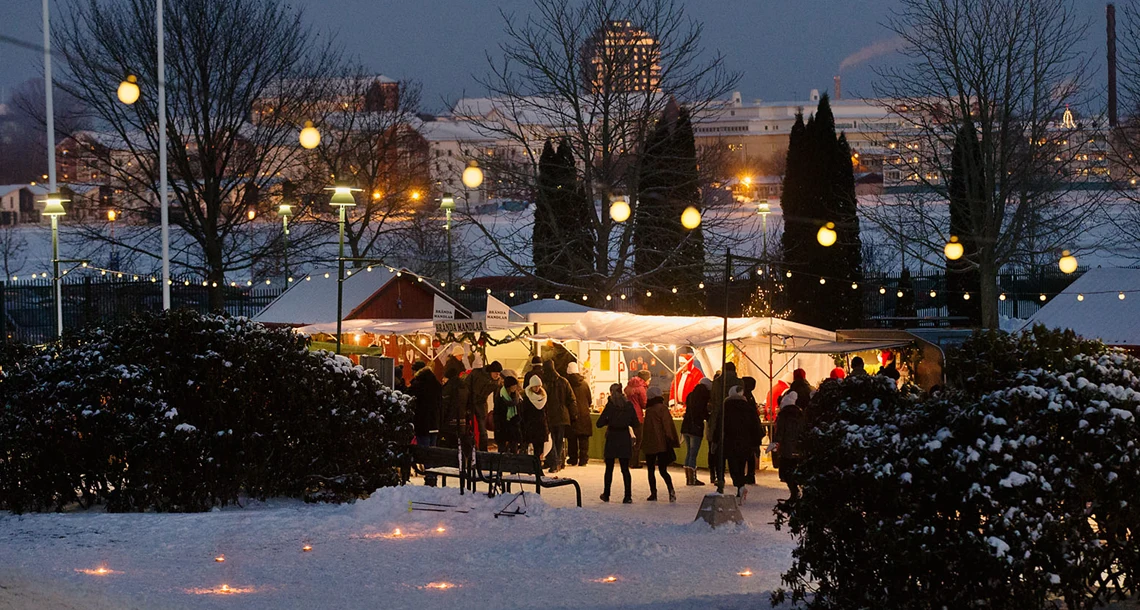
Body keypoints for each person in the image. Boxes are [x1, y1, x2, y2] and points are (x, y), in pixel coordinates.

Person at [597, 383, 640, 503]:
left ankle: (606, 494)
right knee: (625, 469)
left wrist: (609, 421)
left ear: (611, 392)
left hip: (612, 437)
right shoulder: (628, 405)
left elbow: (599, 423)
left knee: (609, 469)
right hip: (624, 438)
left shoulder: (610, 406)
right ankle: (627, 496)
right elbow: (636, 423)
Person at [723, 385, 763, 502]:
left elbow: (720, 425)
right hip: (746, 441)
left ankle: (739, 484)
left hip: (730, 441)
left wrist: (716, 440)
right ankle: (741, 485)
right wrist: (756, 442)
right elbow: (755, 425)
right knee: (741, 464)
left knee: (733, 465)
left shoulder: (726, 407)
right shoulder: (748, 407)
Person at [640, 386, 680, 502]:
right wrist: (671, 438)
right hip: (662, 443)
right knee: (663, 470)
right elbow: (667, 426)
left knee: (651, 470)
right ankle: (671, 491)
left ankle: (653, 493)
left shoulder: (649, 410)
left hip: (650, 444)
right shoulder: (662, 408)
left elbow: (646, 429)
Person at [707, 362, 740, 485]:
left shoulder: (717, 382)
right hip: (735, 420)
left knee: (718, 450)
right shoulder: (739, 382)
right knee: (733, 452)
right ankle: (737, 479)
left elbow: (714, 400)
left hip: (718, 418)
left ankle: (719, 476)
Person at [773, 389, 807, 500]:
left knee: (786, 471)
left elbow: (780, 433)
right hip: (799, 447)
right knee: (795, 470)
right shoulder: (801, 414)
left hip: (786, 448)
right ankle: (797, 491)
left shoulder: (783, 416)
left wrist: (775, 444)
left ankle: (794, 491)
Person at [540, 360, 573, 472]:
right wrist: (573, 414)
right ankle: (558, 462)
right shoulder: (564, 381)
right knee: (558, 440)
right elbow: (571, 399)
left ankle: (554, 462)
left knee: (550, 440)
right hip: (562, 415)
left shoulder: (543, 382)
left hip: (549, 415)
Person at [680, 377, 711, 486]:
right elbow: (703, 414)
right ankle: (692, 479)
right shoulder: (703, 398)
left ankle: (689, 478)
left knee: (689, 452)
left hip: (686, 426)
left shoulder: (691, 395)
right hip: (696, 427)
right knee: (693, 453)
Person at [466, 360, 503, 450]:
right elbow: (466, 385)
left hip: (481, 403)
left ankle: (483, 450)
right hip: (469, 402)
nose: (497, 375)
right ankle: (469, 447)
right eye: (495, 373)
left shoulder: (497, 382)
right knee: (467, 426)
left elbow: (496, 396)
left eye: (498, 374)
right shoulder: (477, 374)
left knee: (483, 428)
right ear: (490, 372)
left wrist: (496, 408)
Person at [564, 362, 594, 467]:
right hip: (584, 413)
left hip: (572, 414)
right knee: (583, 438)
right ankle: (583, 459)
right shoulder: (585, 384)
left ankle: (573, 458)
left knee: (572, 439)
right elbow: (589, 400)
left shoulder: (566, 384)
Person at [407, 361, 442, 447]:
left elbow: (411, 403)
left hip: (422, 424)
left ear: (416, 371)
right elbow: (440, 404)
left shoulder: (417, 384)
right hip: (434, 423)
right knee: (433, 453)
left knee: (423, 452)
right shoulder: (436, 384)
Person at [439, 361, 469, 449]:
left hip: (449, 423)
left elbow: (444, 406)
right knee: (459, 447)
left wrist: (441, 421)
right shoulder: (464, 387)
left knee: (449, 447)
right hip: (462, 422)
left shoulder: (449, 388)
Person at [624, 369, 650, 468]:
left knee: (629, 439)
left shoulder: (628, 386)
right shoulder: (641, 388)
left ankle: (628, 461)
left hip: (627, 415)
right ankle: (634, 462)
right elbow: (644, 404)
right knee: (638, 440)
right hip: (637, 416)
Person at [520, 376, 549, 459]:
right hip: (531, 425)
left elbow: (546, 412)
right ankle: (533, 466)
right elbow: (524, 413)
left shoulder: (543, 397)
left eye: (539, 386)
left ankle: (536, 466)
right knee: (532, 448)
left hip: (541, 425)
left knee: (539, 449)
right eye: (535, 386)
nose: (537, 388)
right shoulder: (526, 398)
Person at [493, 376, 523, 454]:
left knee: (514, 451)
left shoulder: (516, 397)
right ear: (508, 387)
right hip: (503, 428)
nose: (515, 387)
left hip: (514, 427)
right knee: (502, 452)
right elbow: (497, 414)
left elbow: (519, 411)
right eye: (514, 385)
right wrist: (498, 428)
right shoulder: (500, 396)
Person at [742, 377, 760, 485]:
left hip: (748, 428)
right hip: (753, 428)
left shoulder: (746, 396)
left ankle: (749, 475)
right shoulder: (750, 396)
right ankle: (750, 474)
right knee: (751, 453)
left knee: (747, 453)